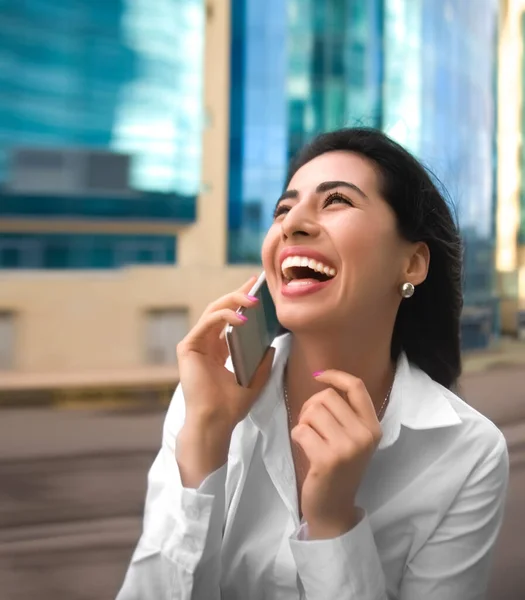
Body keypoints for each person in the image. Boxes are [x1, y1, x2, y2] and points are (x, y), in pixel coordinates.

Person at [116, 128, 509, 600]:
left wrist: (333, 523)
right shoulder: (205, 401)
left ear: (412, 264)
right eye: (283, 209)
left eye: (336, 201)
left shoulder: (469, 453)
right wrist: (204, 439)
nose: (292, 224)